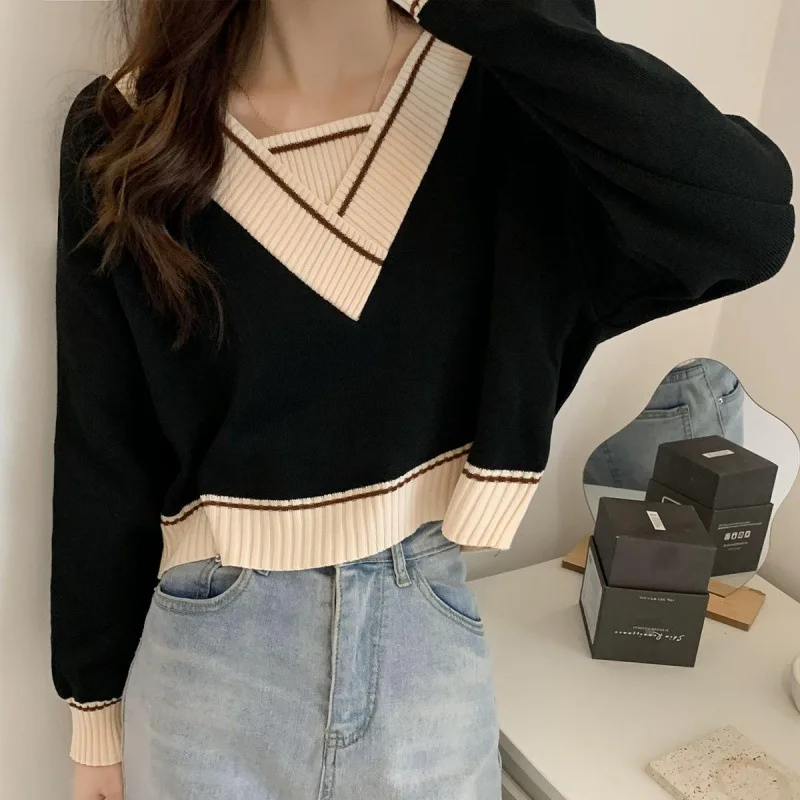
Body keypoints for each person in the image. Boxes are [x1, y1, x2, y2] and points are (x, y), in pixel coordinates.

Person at [52, 0, 795, 798]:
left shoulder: (502, 94)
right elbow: (104, 444)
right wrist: (94, 717)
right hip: (208, 672)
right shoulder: (128, 126)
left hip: (425, 656)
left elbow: (746, 222)